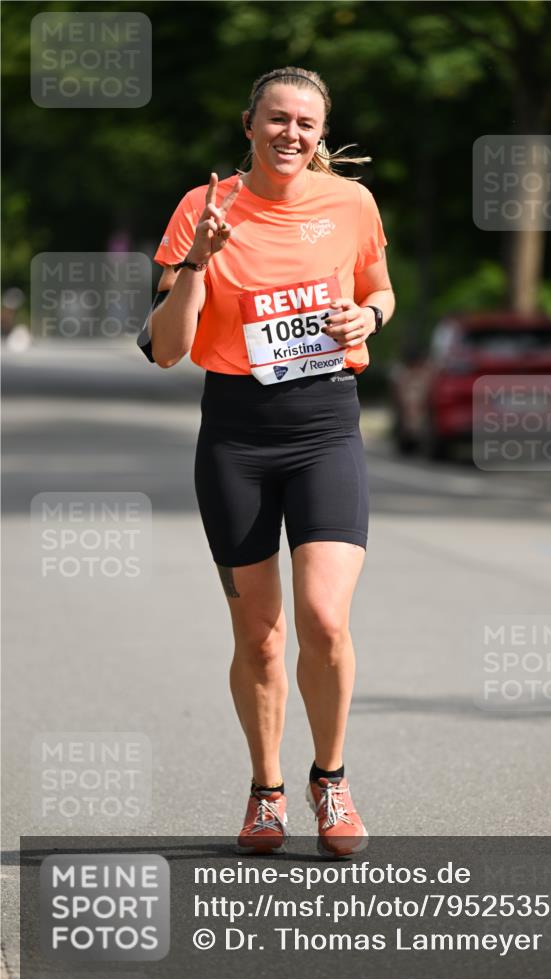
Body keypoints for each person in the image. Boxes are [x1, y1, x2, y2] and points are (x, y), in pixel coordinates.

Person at [147, 66, 394, 858]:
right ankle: (266, 791)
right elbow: (167, 349)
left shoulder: (351, 204)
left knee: (323, 618)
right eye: (278, 118)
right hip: (237, 435)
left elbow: (380, 292)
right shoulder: (204, 207)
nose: (291, 133)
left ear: (320, 136)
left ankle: (331, 780)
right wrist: (197, 261)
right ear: (249, 123)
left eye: (306, 123)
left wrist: (367, 317)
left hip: (325, 428)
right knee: (258, 636)